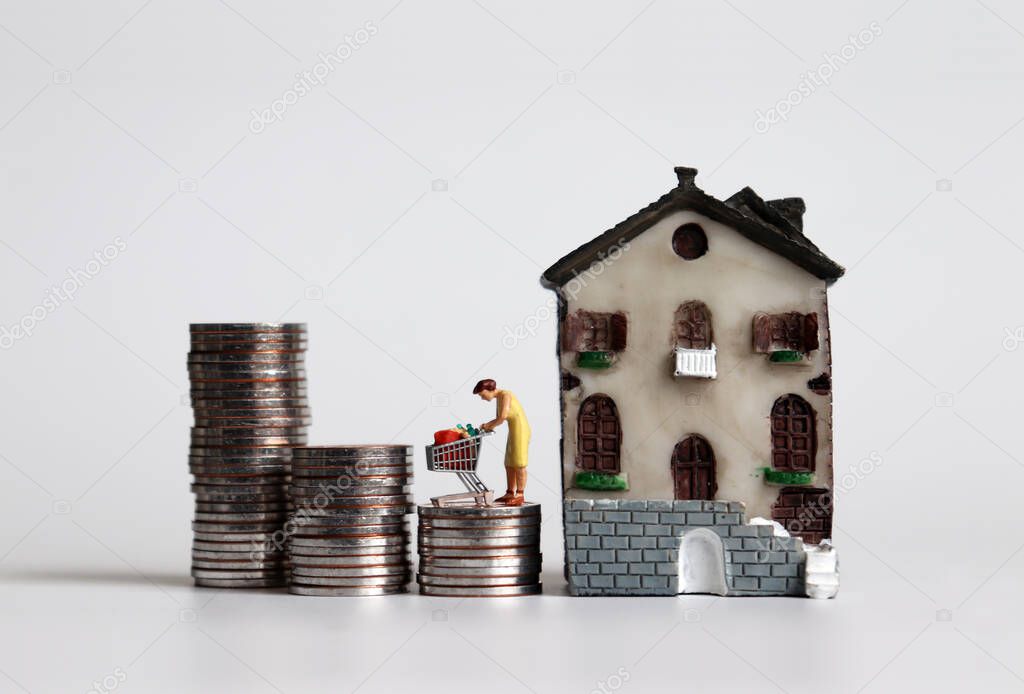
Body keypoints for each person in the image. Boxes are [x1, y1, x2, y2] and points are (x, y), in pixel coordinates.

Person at [474, 379, 530, 506]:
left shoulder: (506, 395)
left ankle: (520, 494)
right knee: (509, 462)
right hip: (513, 430)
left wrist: (487, 425)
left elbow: (502, 417)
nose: (482, 398)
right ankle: (510, 492)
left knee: (519, 463)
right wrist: (488, 425)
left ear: (489, 390)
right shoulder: (498, 397)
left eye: (482, 395)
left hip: (521, 429)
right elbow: (499, 418)